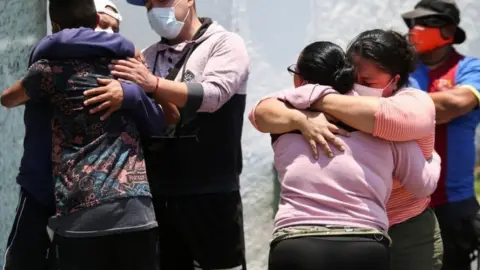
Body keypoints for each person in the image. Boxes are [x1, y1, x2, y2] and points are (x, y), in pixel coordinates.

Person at [251, 29, 443, 270]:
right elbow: (260, 113)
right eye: (354, 77)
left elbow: (389, 118)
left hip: (406, 226)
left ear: (394, 80)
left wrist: (312, 101)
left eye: (368, 82)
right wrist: (302, 118)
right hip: (364, 234)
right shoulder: (312, 108)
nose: (357, 87)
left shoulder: (406, 106)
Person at [80, 0, 250, 269]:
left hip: (211, 194)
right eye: (147, 5)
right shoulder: (146, 57)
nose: (153, 10)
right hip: (157, 198)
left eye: (160, 1)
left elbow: (213, 95)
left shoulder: (224, 43)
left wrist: (153, 84)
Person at [1, 0, 165, 269]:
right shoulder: (120, 64)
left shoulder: (121, 69)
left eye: (115, 29)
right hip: (54, 193)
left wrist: (132, 94)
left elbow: (8, 99)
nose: (107, 35)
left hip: (84, 212)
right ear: (92, 24)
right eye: (103, 26)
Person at [402, 1, 480, 269]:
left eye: (424, 24)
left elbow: (454, 105)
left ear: (448, 31)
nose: (415, 30)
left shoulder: (470, 68)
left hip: (453, 204)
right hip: (405, 205)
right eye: (411, 24)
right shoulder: (403, 70)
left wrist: (399, 107)